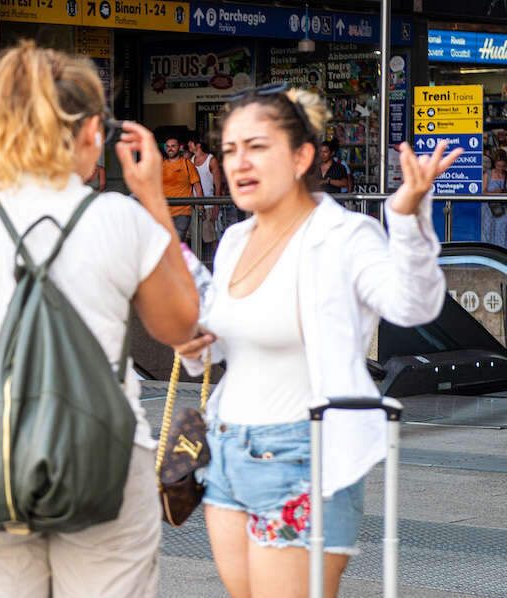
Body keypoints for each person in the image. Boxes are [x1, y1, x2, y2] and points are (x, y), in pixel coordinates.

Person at [0, 42, 199, 596]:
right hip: (106, 458)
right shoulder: (117, 217)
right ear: (87, 134)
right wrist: (152, 196)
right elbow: (181, 326)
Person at [173, 85, 459, 598]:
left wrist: (408, 216)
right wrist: (197, 343)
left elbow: (413, 306)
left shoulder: (346, 236)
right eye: (230, 149)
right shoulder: (235, 241)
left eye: (257, 147)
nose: (238, 162)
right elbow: (225, 345)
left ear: (302, 155)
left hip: (303, 454)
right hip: (226, 450)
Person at [189, 132, 224, 254]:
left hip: (209, 204)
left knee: (212, 238)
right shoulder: (190, 161)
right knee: (195, 239)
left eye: (190, 142)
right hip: (194, 206)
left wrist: (216, 205)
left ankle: (217, 265)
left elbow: (218, 184)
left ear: (197, 145)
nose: (188, 144)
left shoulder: (211, 160)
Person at [162, 134, 203, 241]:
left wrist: (201, 206)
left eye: (173, 146)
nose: (170, 148)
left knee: (176, 241)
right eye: (168, 146)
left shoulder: (187, 164)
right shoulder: (160, 166)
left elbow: (197, 186)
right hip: (164, 213)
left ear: (179, 148)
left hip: (183, 212)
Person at [482, 150, 507, 246]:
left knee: (502, 233)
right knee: (487, 232)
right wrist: (494, 193)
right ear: (494, 164)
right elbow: (483, 193)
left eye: (503, 166)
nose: (500, 169)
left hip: (503, 210)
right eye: (498, 166)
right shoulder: (487, 175)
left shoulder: (505, 175)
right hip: (488, 209)